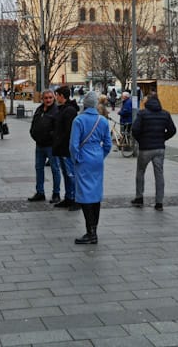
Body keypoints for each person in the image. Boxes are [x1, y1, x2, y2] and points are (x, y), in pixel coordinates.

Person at [70, 92, 112, 244]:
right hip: (97, 158)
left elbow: (73, 145)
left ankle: (91, 232)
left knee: (84, 194)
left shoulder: (79, 120)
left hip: (84, 158)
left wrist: (77, 159)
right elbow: (108, 144)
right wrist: (101, 155)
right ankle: (94, 229)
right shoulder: (103, 121)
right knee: (95, 193)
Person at [130, 94, 176, 211]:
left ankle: (139, 197)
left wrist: (141, 140)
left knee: (140, 172)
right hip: (159, 148)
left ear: (148, 103)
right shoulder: (165, 114)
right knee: (159, 175)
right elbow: (172, 130)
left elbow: (134, 129)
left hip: (145, 148)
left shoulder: (142, 113)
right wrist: (163, 138)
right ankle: (159, 202)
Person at [28, 89, 61, 202]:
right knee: (39, 169)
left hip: (51, 146)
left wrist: (50, 137)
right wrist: (34, 134)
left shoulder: (56, 111)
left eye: (50, 98)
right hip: (39, 145)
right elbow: (34, 124)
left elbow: (57, 130)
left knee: (55, 169)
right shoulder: (39, 109)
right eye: (46, 98)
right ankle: (40, 192)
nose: (48, 100)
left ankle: (56, 193)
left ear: (54, 98)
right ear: (42, 99)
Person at [53, 85, 79, 210]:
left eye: (57, 95)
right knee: (66, 173)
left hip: (66, 149)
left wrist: (59, 141)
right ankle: (69, 197)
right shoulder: (63, 109)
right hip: (61, 148)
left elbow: (68, 131)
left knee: (70, 174)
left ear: (61, 96)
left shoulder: (69, 111)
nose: (55, 97)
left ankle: (75, 199)